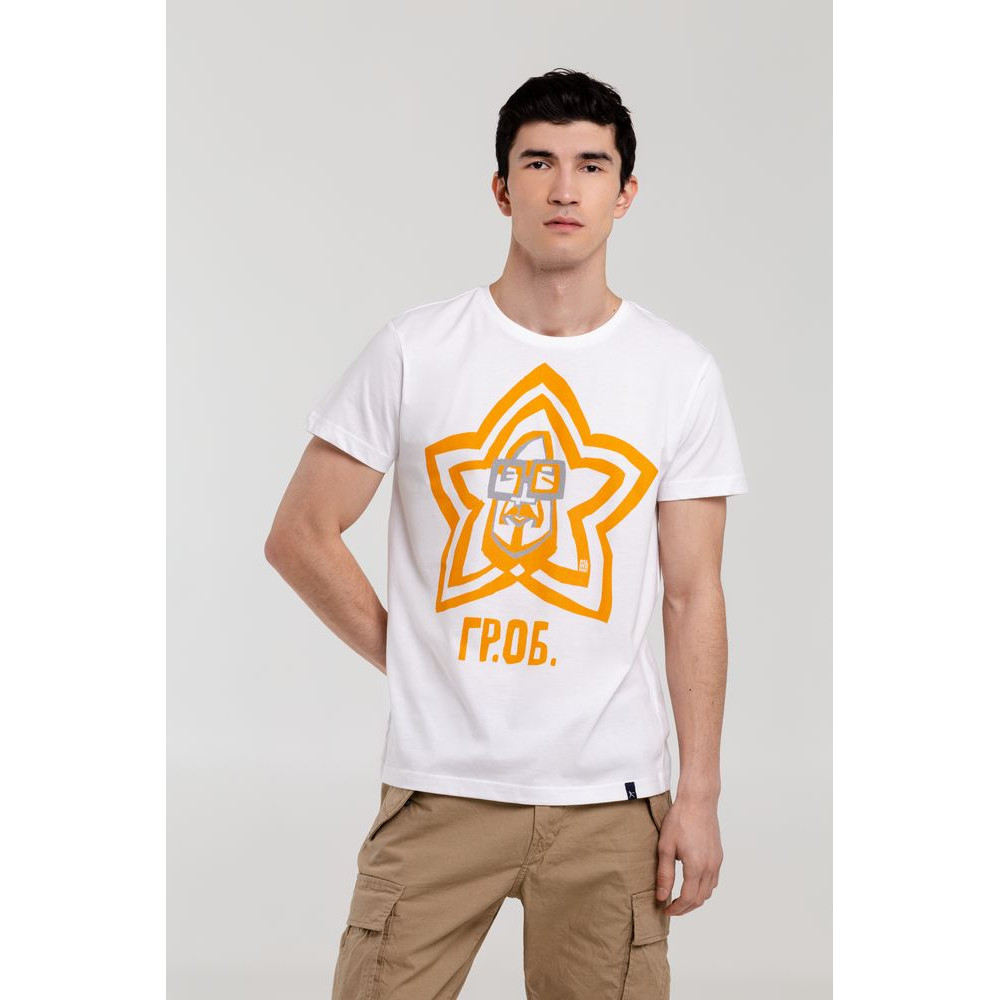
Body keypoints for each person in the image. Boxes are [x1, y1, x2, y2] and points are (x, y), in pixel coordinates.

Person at [264, 68, 748, 1000]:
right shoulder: (415, 350)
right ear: (501, 188)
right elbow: (302, 533)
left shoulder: (677, 372)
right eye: (538, 162)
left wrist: (700, 795)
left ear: (625, 193)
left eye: (591, 165)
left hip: (613, 803)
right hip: (440, 787)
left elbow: (695, 595)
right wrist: (414, 656)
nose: (565, 187)